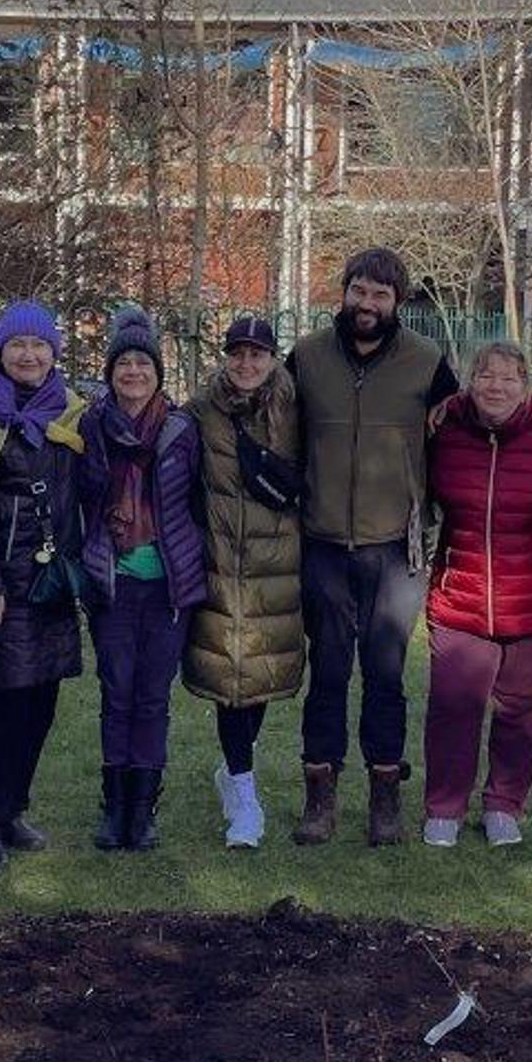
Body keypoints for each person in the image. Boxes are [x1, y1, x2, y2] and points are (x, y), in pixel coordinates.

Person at [286, 247, 457, 846]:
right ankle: (320, 799)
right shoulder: (306, 357)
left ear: (397, 302)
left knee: (385, 676)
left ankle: (386, 798)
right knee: (328, 672)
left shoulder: (427, 362)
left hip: (395, 548)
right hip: (324, 542)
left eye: (380, 295)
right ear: (344, 292)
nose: (367, 304)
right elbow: (275, 428)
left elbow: (455, 442)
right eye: (359, 290)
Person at [0, 300, 85, 873]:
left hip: (52, 584)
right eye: (17, 346)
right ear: (0, 354)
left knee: (41, 705)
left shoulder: (71, 413)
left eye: (38, 346)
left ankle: (12, 810)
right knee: (3, 709)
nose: (28, 355)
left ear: (53, 353)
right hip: (4, 586)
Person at [421, 341, 532, 848]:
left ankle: (504, 804)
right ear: (470, 381)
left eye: (508, 378)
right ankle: (444, 806)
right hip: (459, 598)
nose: (496, 386)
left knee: (523, 712)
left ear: (526, 385)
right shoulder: (443, 431)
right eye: (485, 375)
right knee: (452, 708)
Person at [79, 306, 205, 852]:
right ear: (110, 372)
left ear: (157, 371)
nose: (133, 371)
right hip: (114, 579)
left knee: (153, 696)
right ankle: (114, 807)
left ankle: (143, 810)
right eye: (123, 363)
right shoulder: (90, 426)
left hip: (168, 584)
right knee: (117, 692)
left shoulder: (180, 430)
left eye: (142, 363)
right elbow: (79, 497)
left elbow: (200, 501)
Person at [181, 315, 303, 849]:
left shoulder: (296, 412)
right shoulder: (201, 413)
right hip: (221, 568)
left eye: (257, 354)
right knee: (229, 686)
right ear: (225, 357)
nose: (247, 364)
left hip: (277, 571)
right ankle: (245, 796)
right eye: (237, 353)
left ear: (273, 358)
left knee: (258, 685)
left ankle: (233, 773)